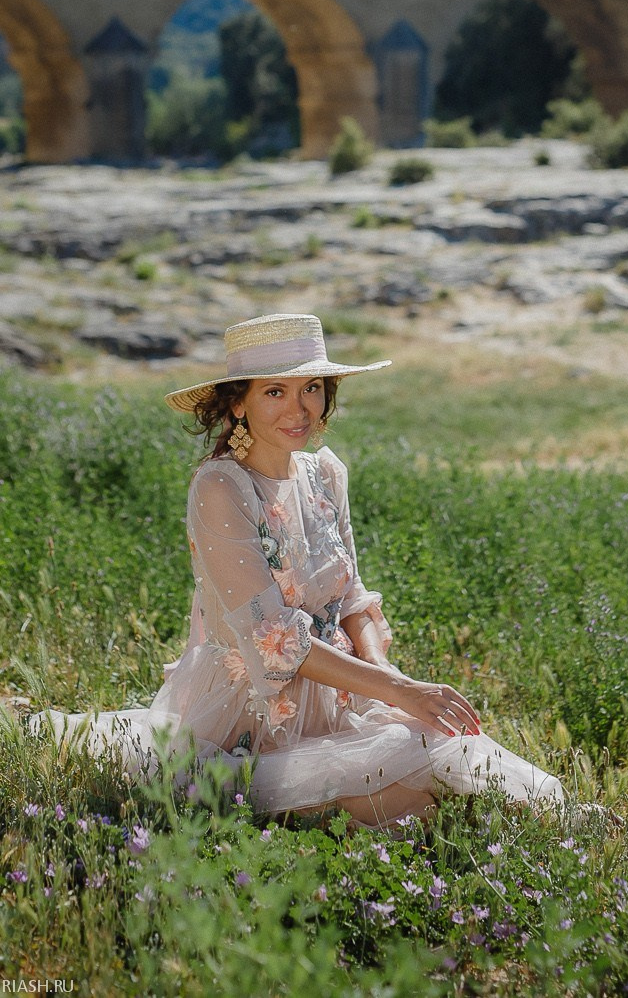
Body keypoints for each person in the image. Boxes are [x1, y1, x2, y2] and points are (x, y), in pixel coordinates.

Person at [29, 313, 566, 831]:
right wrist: (399, 691)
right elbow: (274, 640)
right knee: (413, 801)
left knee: (457, 760)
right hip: (252, 717)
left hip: (344, 695)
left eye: (311, 387)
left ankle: (566, 823)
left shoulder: (326, 474)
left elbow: (353, 599)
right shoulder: (220, 488)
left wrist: (390, 684)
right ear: (237, 403)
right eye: (274, 392)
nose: (300, 408)